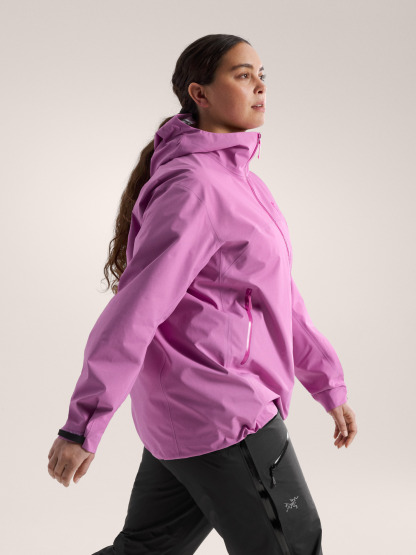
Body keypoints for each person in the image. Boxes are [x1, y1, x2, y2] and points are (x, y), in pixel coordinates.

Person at [47, 34, 357, 555]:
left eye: (262, 75)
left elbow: (278, 296)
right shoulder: (194, 186)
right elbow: (135, 311)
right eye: (242, 75)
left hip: (188, 416)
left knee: (146, 551)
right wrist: (83, 425)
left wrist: (327, 381)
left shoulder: (241, 182)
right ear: (200, 93)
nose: (260, 86)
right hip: (224, 414)